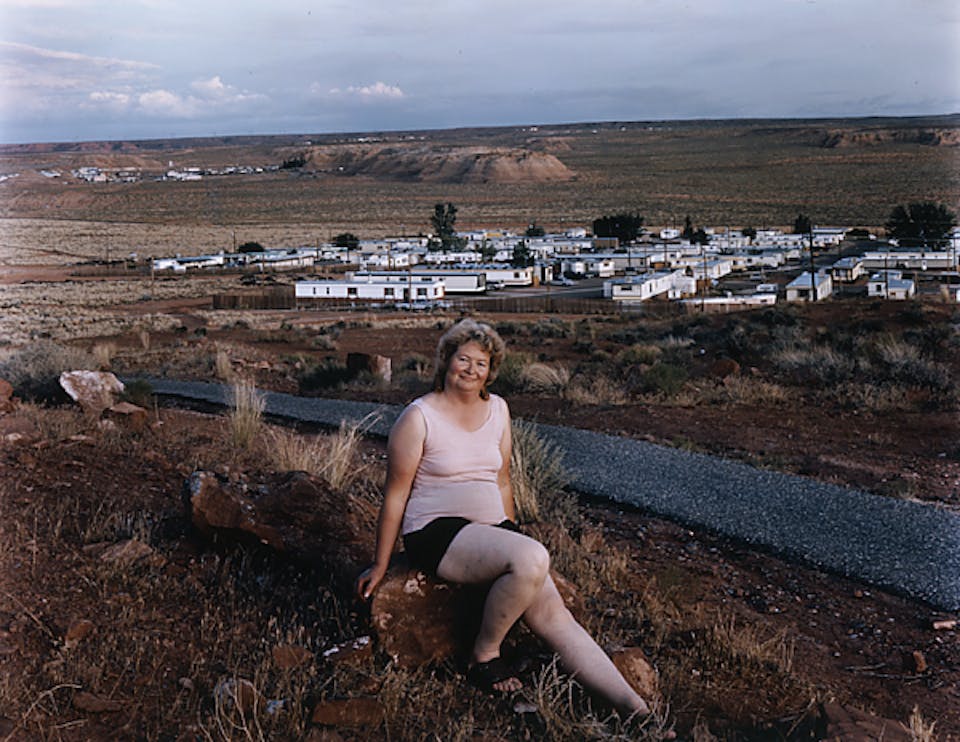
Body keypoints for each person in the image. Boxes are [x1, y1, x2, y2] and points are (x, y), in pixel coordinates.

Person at [356, 318, 652, 716]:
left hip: (489, 529)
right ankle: (484, 655)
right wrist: (381, 563)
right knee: (532, 557)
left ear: (490, 371)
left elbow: (503, 481)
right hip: (436, 531)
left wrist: (510, 536)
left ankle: (636, 711)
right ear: (446, 360)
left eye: (481, 363)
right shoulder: (419, 416)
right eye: (464, 359)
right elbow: (395, 496)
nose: (471, 369)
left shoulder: (498, 409)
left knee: (553, 613)